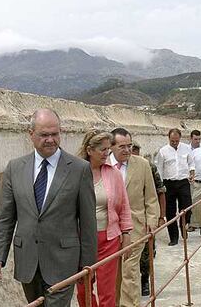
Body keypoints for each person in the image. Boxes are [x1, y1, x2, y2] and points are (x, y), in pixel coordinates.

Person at [0, 108, 97, 306]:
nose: (50, 140)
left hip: (63, 261)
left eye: (55, 134)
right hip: (27, 262)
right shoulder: (15, 168)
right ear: (31, 135)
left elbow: (88, 222)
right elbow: (5, 217)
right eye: (44, 135)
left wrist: (88, 265)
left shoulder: (79, 169)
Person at [76, 130, 133, 307]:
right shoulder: (75, 174)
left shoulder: (113, 173)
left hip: (109, 238)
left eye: (108, 149)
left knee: (107, 290)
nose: (107, 153)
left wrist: (126, 233)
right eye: (102, 149)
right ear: (89, 150)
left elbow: (124, 205)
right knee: (83, 289)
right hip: (82, 240)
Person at [109, 128, 159, 307]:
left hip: (136, 227)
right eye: (122, 146)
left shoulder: (142, 164)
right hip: (110, 228)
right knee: (115, 272)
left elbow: (151, 197)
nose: (127, 150)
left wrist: (152, 221)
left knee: (130, 269)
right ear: (111, 146)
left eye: (129, 146)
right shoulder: (103, 165)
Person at [131, 142, 166, 297]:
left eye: (135, 152)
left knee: (147, 253)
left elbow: (160, 191)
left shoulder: (149, 167)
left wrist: (161, 216)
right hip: (129, 217)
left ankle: (145, 280)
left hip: (146, 217)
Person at [156, 128, 195, 246]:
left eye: (176, 141)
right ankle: (174, 237)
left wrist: (192, 171)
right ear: (169, 139)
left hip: (183, 182)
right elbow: (159, 169)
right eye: (172, 141)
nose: (174, 143)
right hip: (169, 184)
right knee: (170, 211)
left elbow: (191, 163)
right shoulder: (163, 151)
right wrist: (160, 185)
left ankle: (184, 225)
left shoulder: (186, 148)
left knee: (187, 207)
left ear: (180, 139)